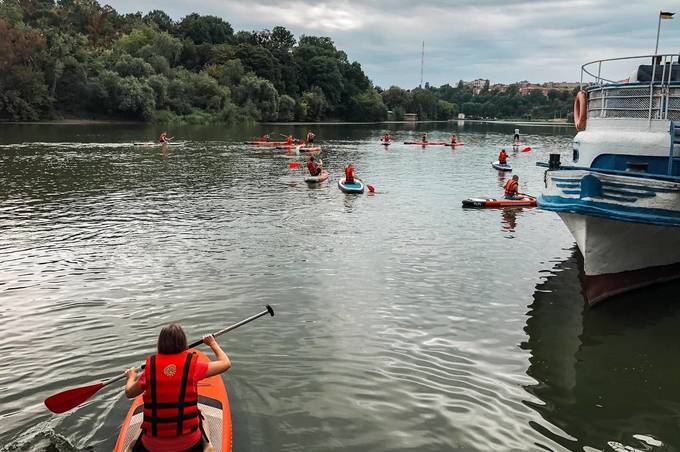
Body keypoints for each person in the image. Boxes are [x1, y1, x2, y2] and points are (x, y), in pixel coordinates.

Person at [124, 324, 231, 452]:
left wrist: (131, 377)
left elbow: (129, 393)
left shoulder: (149, 369)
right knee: (200, 413)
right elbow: (226, 363)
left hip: (152, 447)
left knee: (146, 421)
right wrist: (212, 343)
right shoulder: (194, 366)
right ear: (183, 343)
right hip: (189, 445)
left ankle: (132, 446)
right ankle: (207, 446)